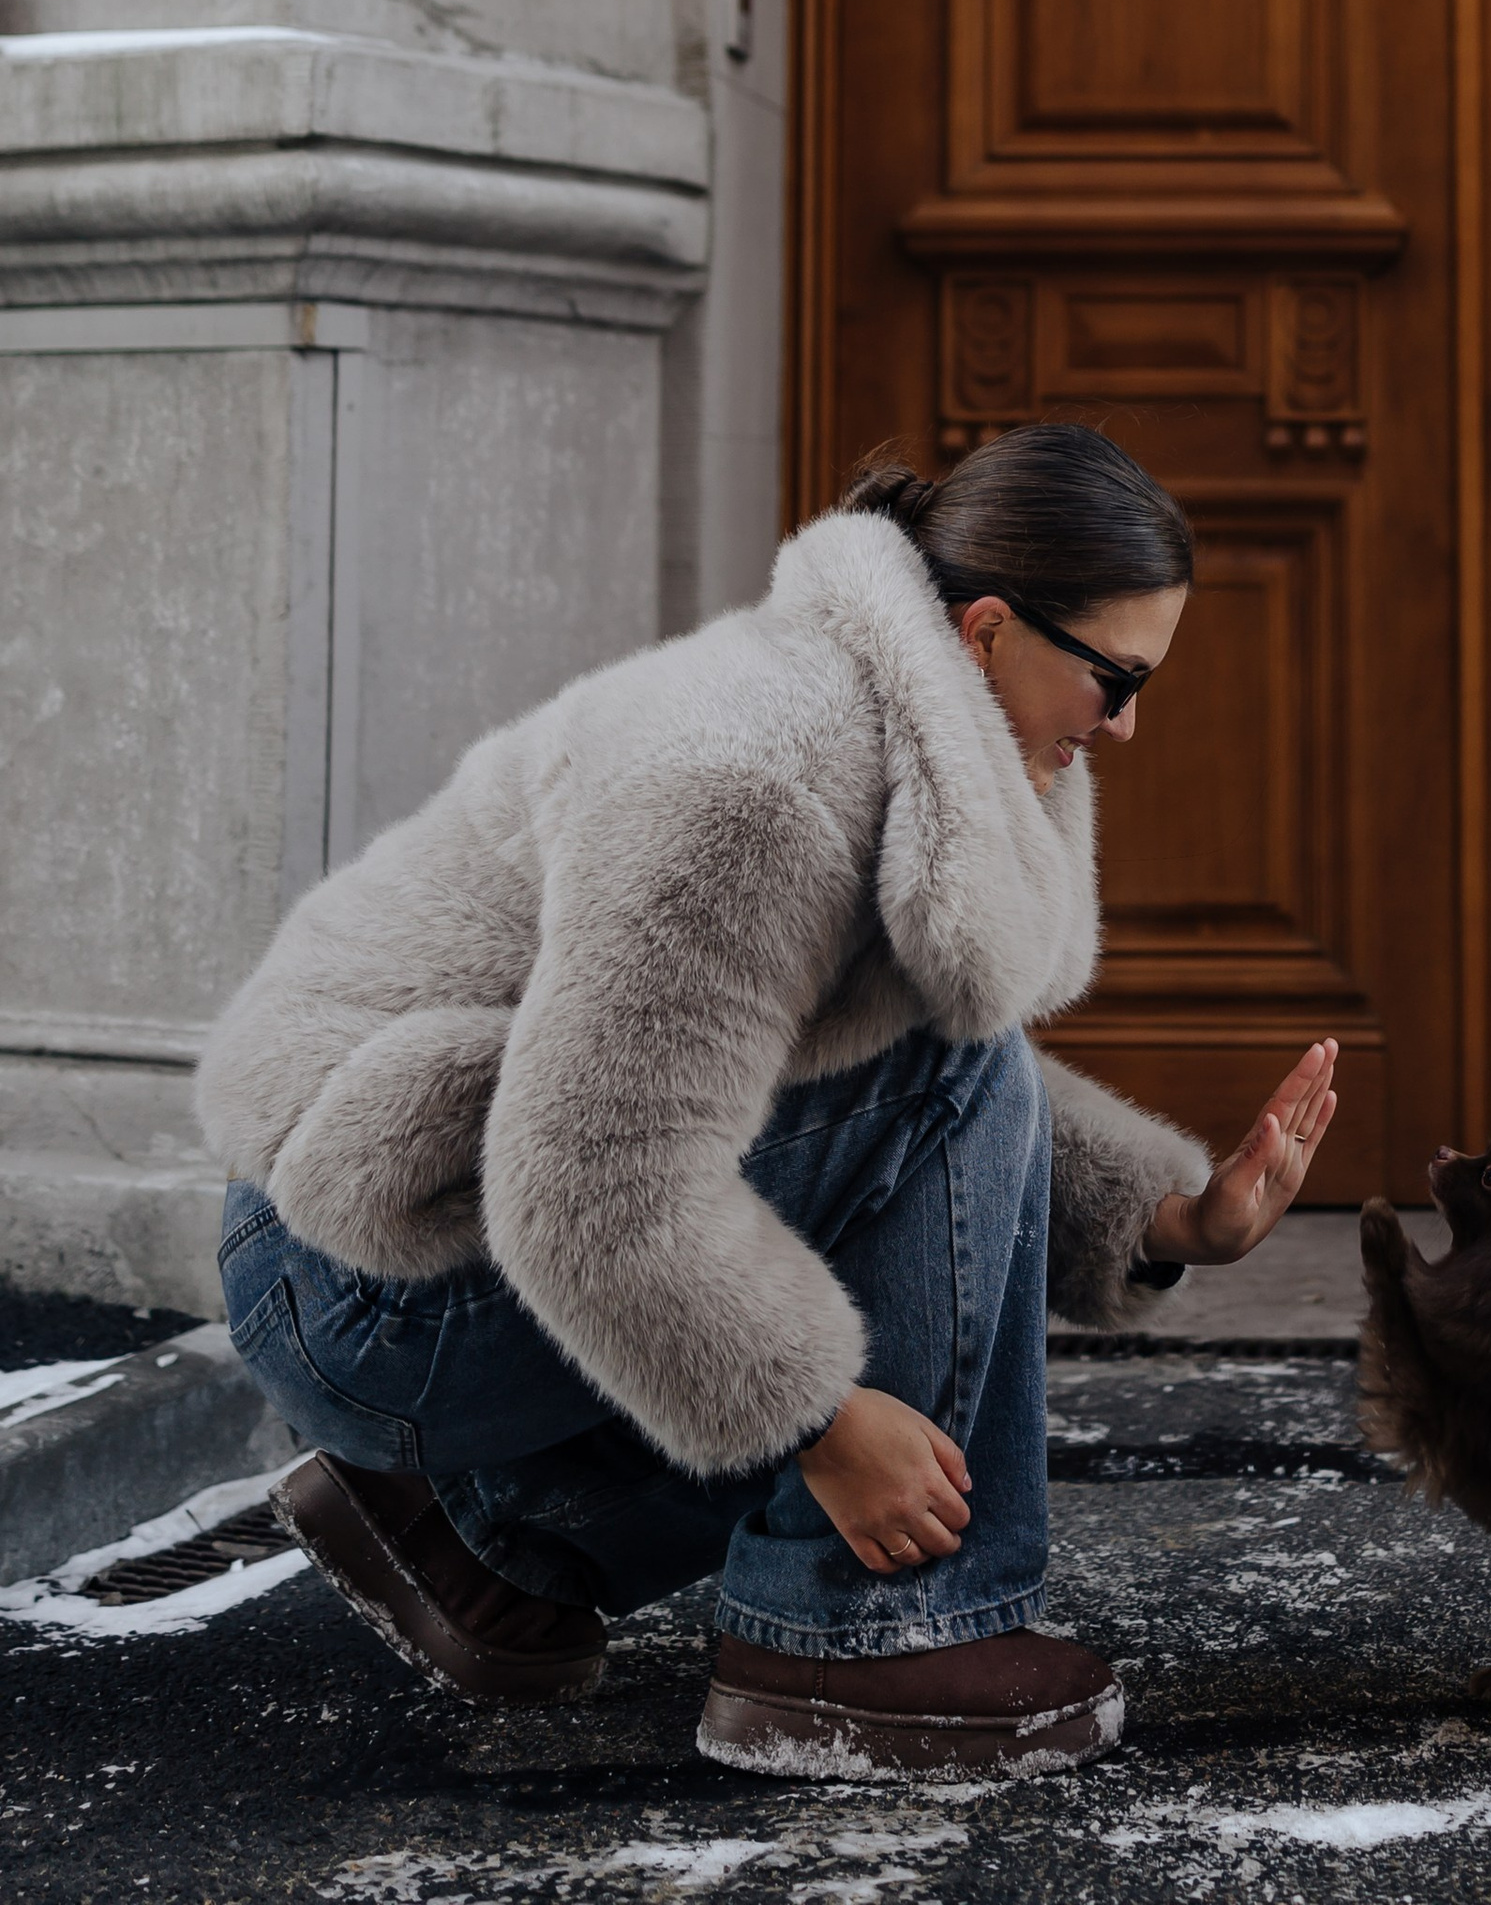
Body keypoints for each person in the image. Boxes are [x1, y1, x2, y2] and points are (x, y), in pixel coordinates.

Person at [196, 424, 1338, 1779]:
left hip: (439, 1224)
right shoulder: (753, 784)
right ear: (984, 632)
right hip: (360, 1267)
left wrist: (1163, 1222)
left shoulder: (883, 727)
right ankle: (853, 1641)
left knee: (918, 1115)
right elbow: (591, 1192)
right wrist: (820, 1420)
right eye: (1116, 678)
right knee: (938, 1095)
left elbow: (844, 1094)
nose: (1126, 726)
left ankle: (489, 1539)